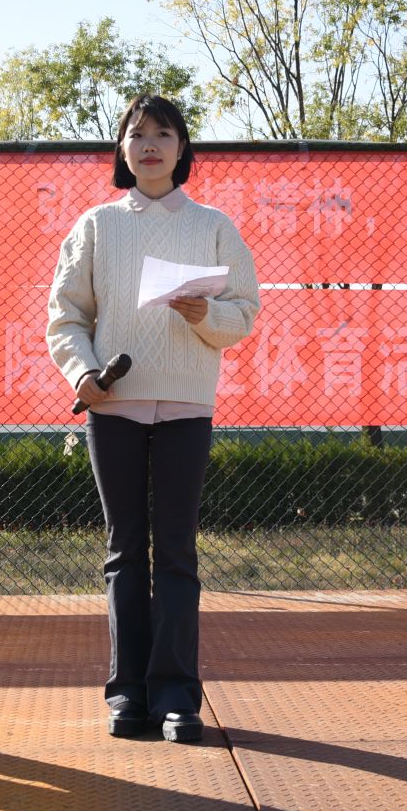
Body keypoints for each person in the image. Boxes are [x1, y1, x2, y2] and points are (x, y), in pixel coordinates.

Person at [46, 95, 259, 743]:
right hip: (113, 405)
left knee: (175, 551)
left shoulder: (214, 225)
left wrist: (206, 315)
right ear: (121, 147)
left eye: (163, 133)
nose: (149, 144)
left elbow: (244, 312)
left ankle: (176, 697)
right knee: (123, 551)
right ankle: (127, 694)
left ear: (182, 148)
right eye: (137, 133)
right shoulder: (96, 226)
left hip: (187, 407)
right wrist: (82, 372)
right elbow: (66, 315)